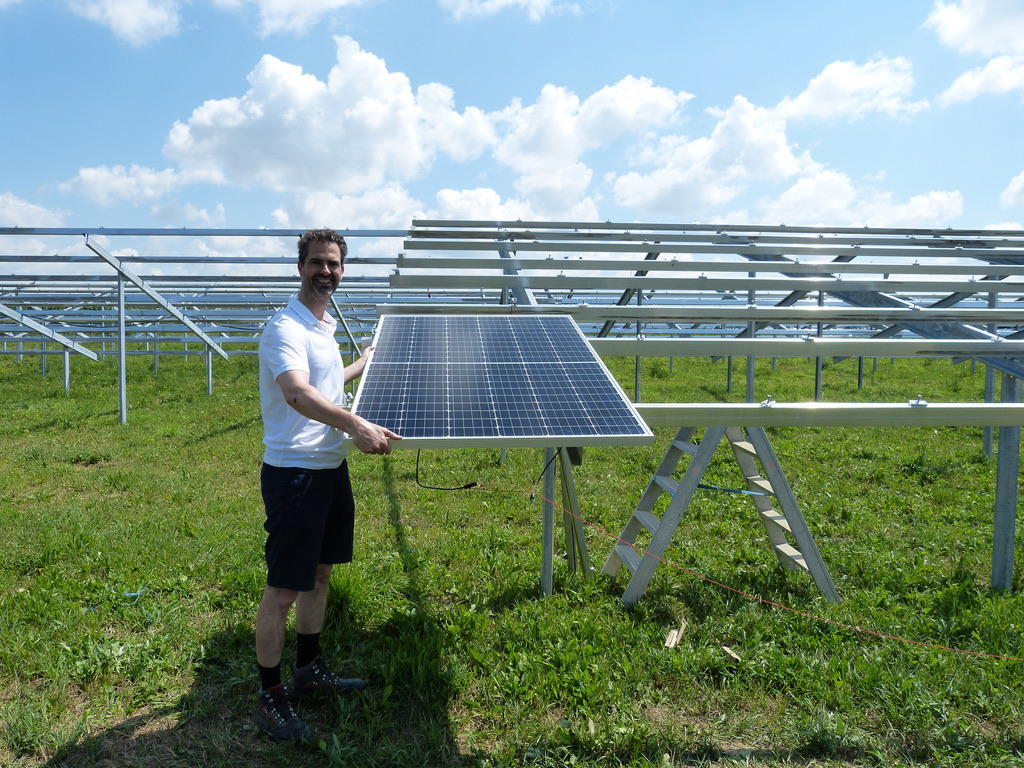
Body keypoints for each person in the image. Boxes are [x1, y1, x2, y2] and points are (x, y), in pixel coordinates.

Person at [254, 228, 401, 743]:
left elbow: (327, 384)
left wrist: (367, 361)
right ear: (301, 266)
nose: (326, 271)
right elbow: (297, 393)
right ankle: (271, 696)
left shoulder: (323, 326)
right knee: (283, 590)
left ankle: (309, 669)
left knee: (320, 574)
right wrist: (356, 425)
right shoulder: (284, 328)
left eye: (334, 263)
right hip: (294, 474)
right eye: (317, 262)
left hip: (330, 469)